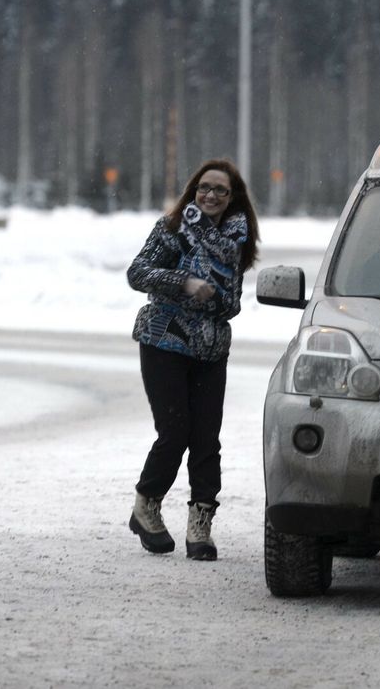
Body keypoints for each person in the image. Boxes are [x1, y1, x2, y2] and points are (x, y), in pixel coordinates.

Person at [125, 159, 259, 561]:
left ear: (234, 198)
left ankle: (200, 526)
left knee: (206, 439)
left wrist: (217, 299)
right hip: (164, 339)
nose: (211, 196)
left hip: (211, 347)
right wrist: (183, 282)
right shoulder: (172, 229)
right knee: (175, 431)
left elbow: (232, 302)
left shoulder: (237, 239)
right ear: (193, 191)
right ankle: (146, 503)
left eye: (221, 190)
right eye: (205, 188)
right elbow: (137, 273)